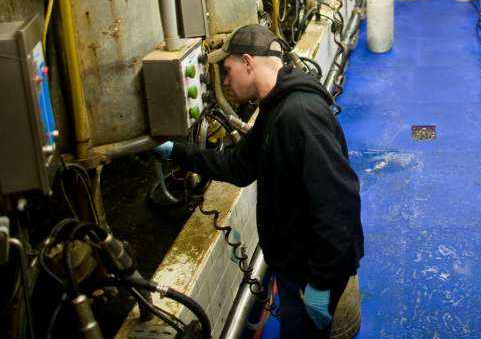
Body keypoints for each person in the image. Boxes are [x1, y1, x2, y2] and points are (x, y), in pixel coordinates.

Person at [155, 24, 364, 338]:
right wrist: (178, 153)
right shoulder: (275, 109)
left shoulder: (299, 115)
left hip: (312, 273)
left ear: (248, 62)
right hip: (295, 265)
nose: (225, 82)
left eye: (227, 71)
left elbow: (338, 204)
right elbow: (239, 166)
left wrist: (321, 282)